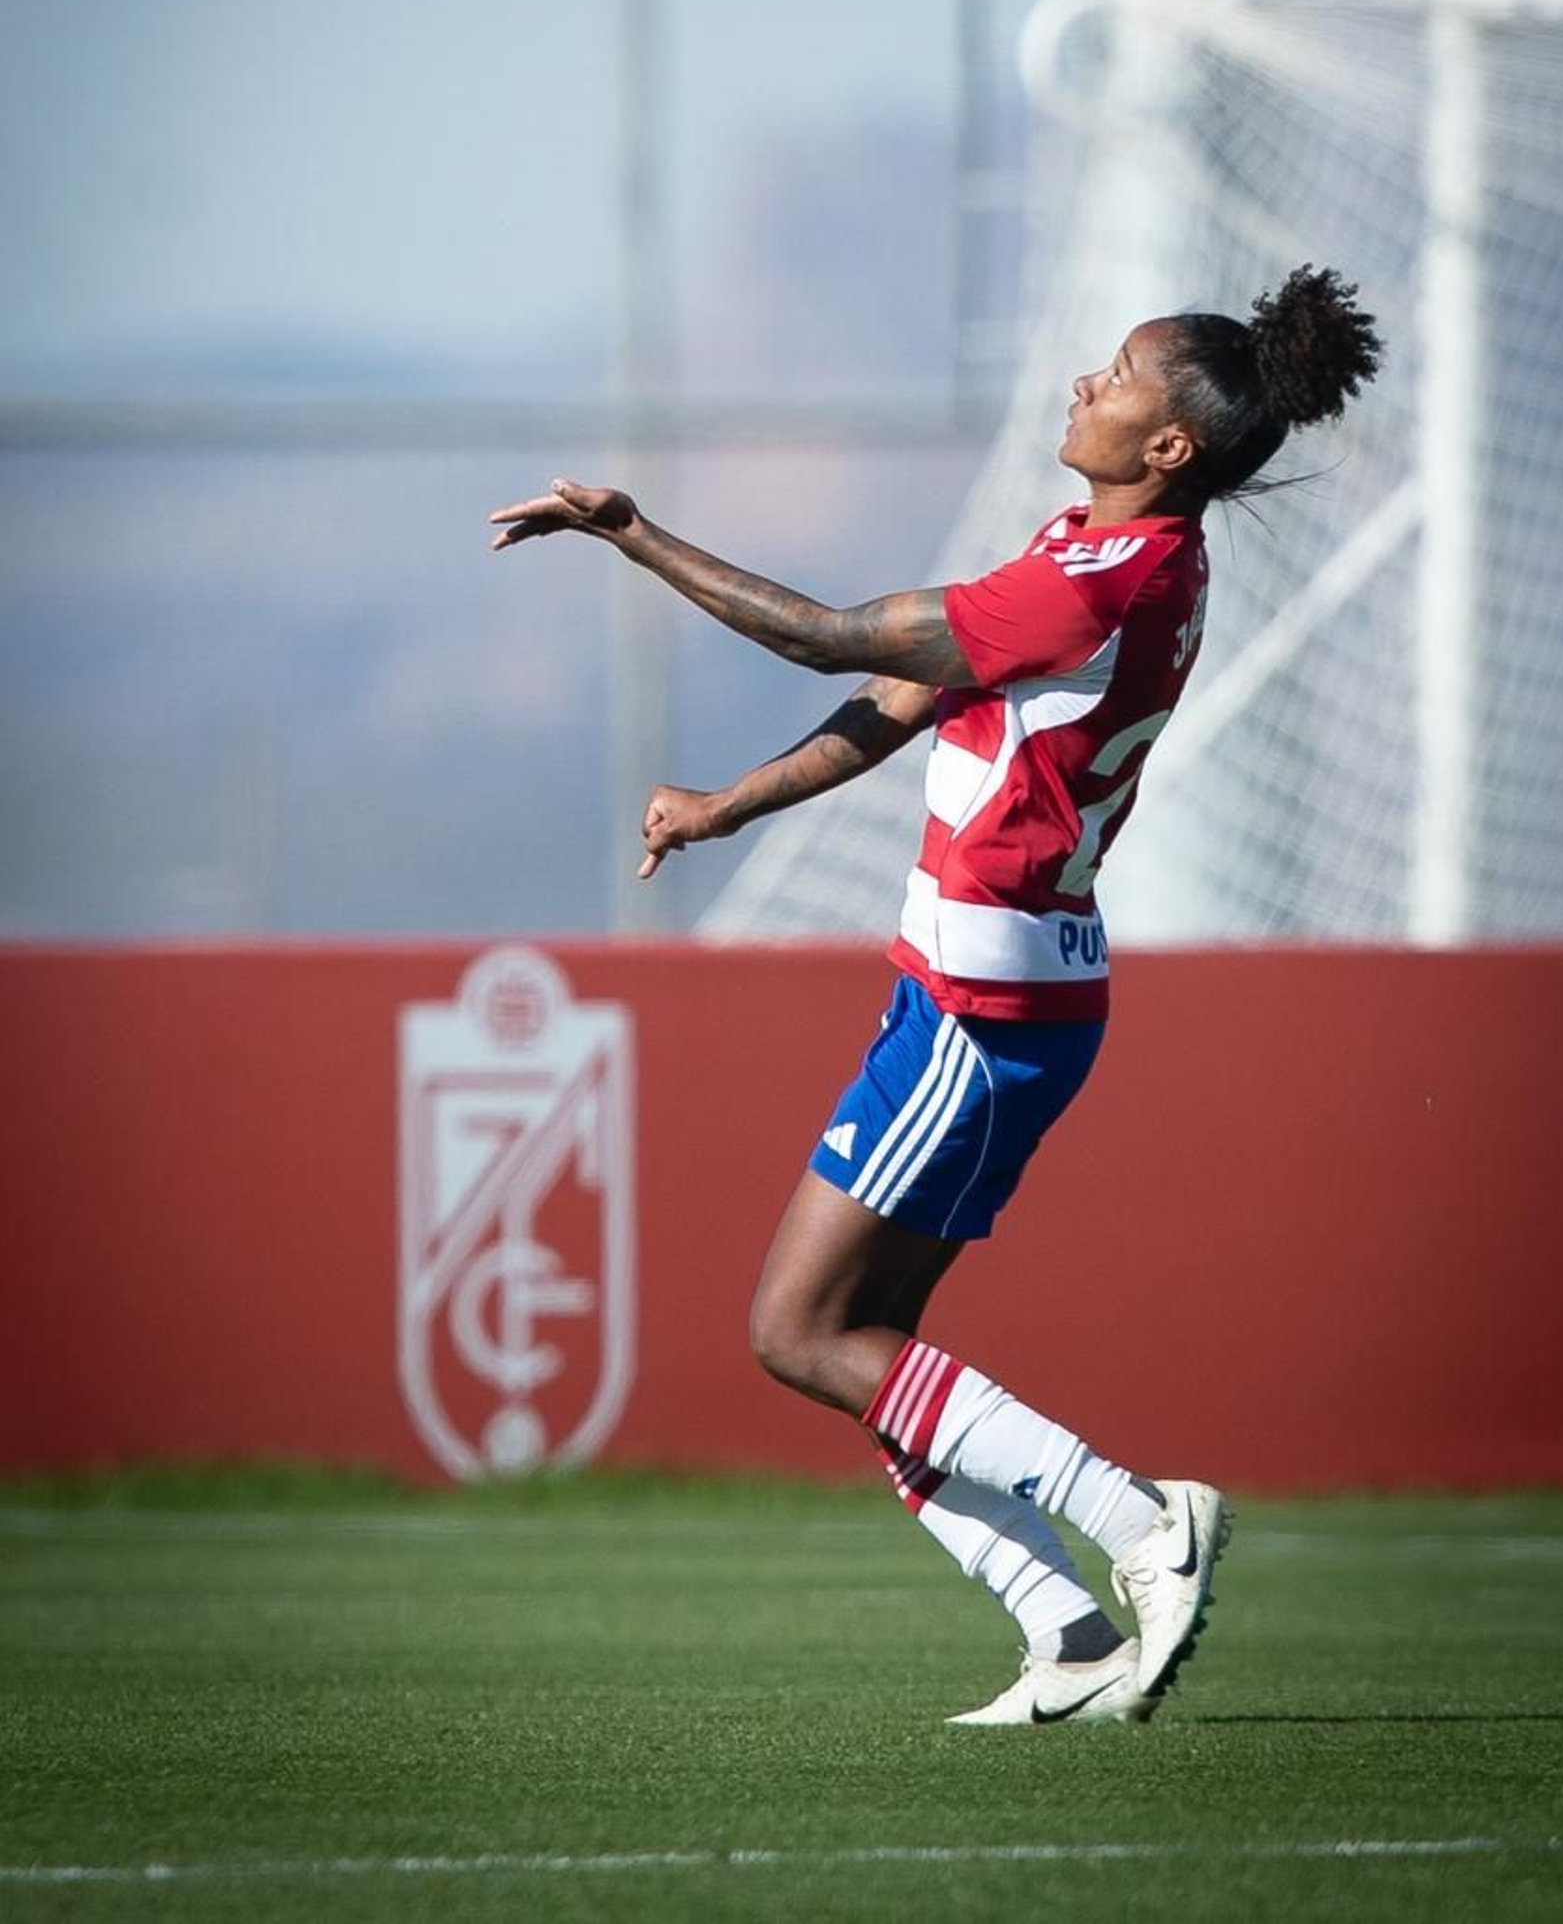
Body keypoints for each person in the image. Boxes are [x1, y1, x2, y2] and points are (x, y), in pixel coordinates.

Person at [490, 265, 1382, 1727]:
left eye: (1120, 374)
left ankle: (1142, 1517)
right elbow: (903, 697)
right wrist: (728, 806)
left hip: (982, 1009)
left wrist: (630, 531)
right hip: (988, 998)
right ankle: (1071, 1631)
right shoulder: (1094, 551)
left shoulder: (1109, 574)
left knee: (798, 1328)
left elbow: (834, 633)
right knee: (865, 1344)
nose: (1089, 381)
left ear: (1171, 449)